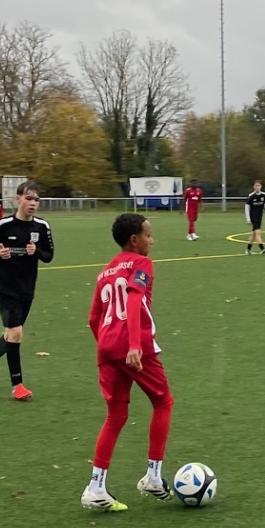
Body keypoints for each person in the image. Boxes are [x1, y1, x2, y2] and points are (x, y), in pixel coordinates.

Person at [82, 212, 175, 511]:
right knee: (163, 402)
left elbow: (93, 318)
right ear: (134, 240)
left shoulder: (105, 272)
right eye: (148, 235)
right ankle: (154, 477)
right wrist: (134, 344)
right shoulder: (141, 263)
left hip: (107, 347)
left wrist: (107, 346)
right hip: (135, 347)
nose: (152, 240)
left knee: (116, 416)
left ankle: (95, 488)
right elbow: (134, 298)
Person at [0, 182, 53, 400]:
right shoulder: (4, 224)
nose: (33, 203)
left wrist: (36, 251)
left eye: (36, 200)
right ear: (18, 199)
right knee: (16, 333)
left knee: (11, 335)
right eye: (29, 198)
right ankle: (17, 386)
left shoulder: (42, 226)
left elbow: (49, 256)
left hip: (27, 288)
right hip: (7, 287)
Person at [245, 181, 265, 254]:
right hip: (253, 217)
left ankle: (248, 249)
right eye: (256, 186)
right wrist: (248, 219)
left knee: (254, 234)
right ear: (254, 187)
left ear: (261, 186)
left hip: (259, 216)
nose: (257, 187)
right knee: (258, 232)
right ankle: (262, 249)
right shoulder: (251, 196)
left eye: (258, 186)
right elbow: (247, 208)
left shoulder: (263, 195)